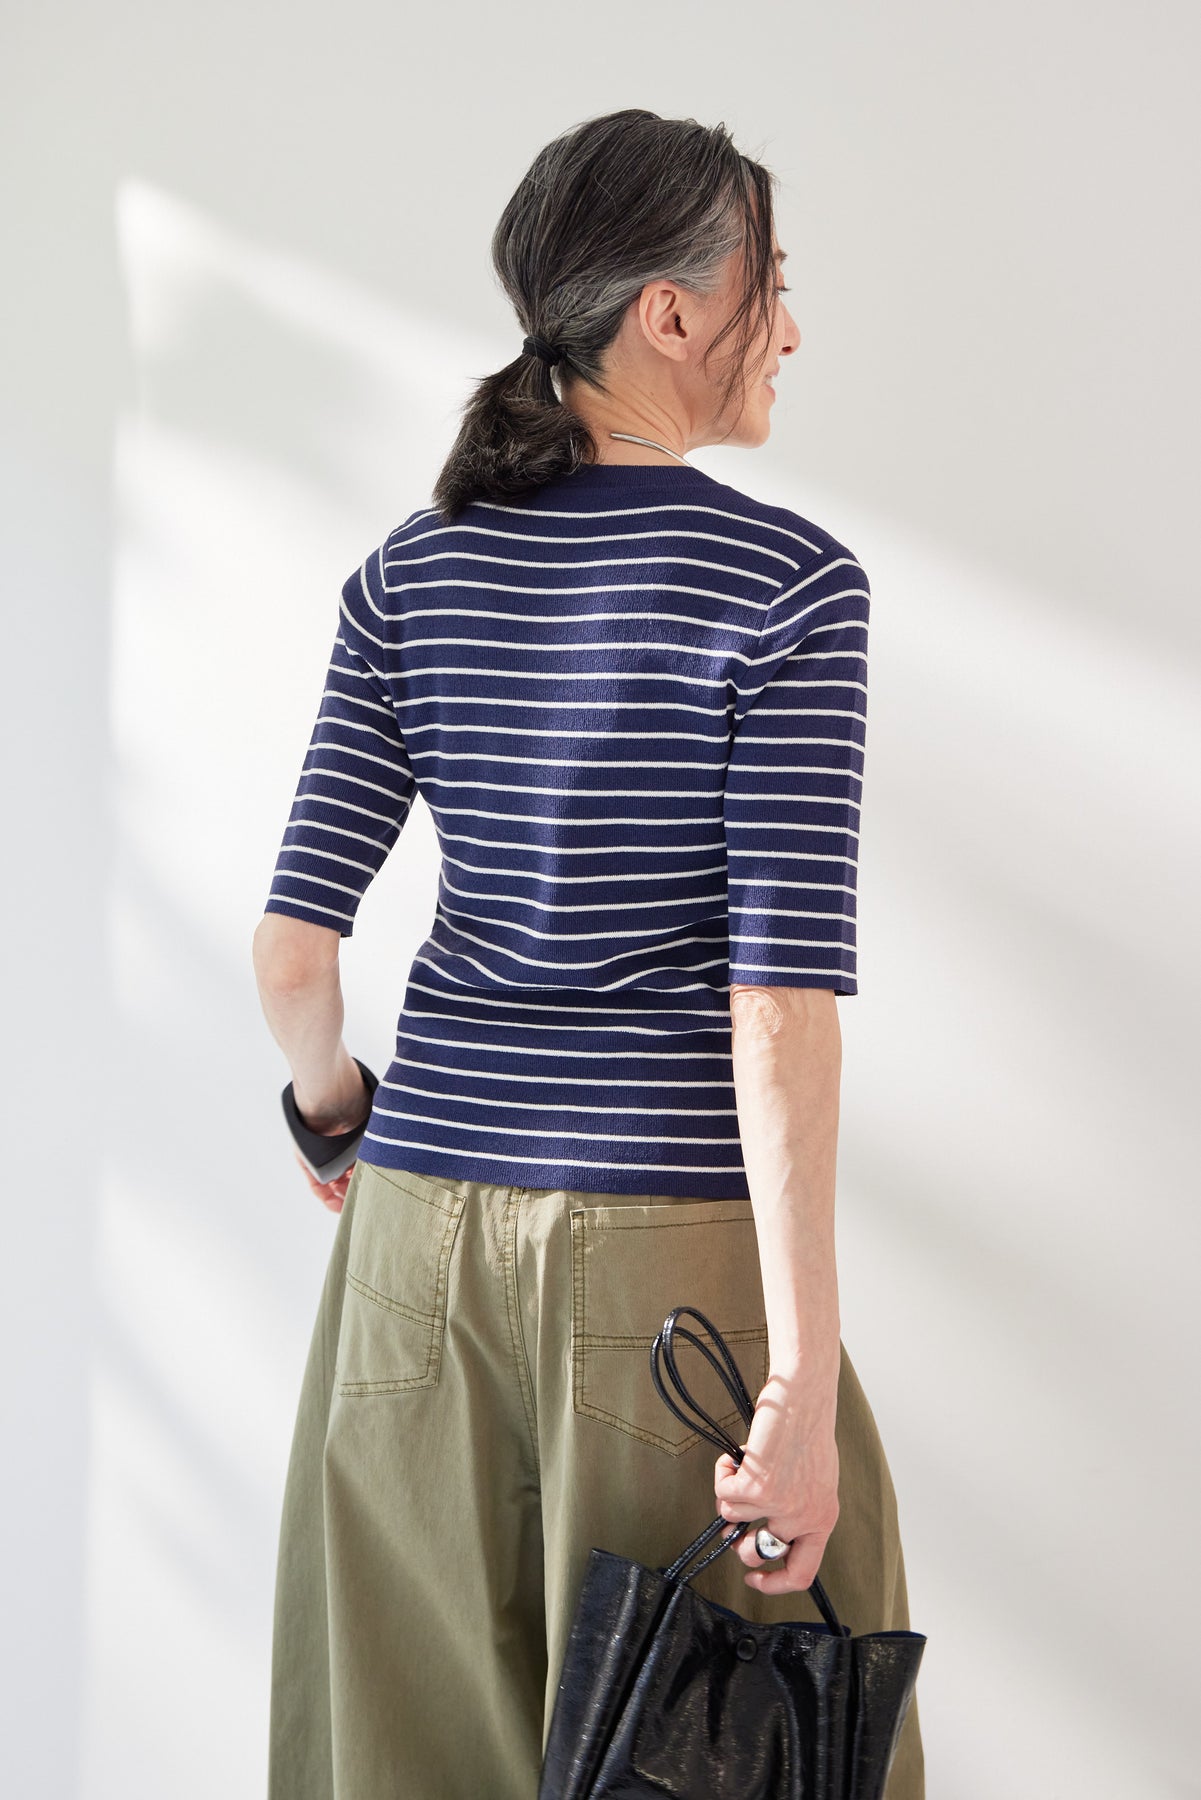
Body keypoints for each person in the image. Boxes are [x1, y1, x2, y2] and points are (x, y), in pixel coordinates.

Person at [253, 106, 925, 1800]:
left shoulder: (410, 573)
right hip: (661, 1263)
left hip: (409, 1248)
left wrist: (335, 1125)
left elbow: (292, 950)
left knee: (401, 1748)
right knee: (731, 1738)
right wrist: (795, 1382)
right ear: (669, 313)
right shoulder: (785, 586)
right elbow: (775, 1008)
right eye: (771, 283)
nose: (791, 327)